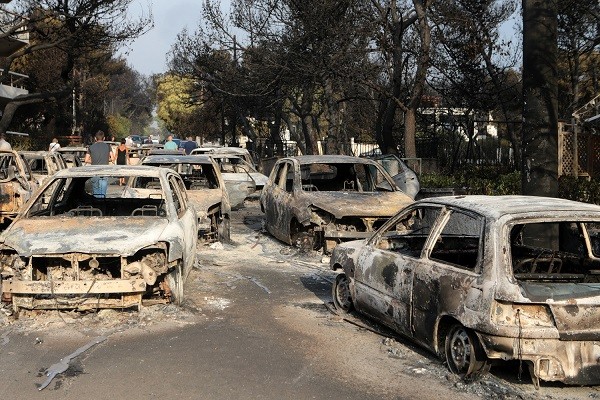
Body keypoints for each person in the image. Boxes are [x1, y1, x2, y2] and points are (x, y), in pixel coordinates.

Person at [85, 130, 114, 197]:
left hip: (94, 172)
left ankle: (96, 205)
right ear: (104, 138)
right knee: (103, 194)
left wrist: (93, 161)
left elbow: (86, 160)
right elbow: (112, 158)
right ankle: (102, 205)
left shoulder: (91, 147)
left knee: (95, 193)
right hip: (104, 172)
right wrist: (107, 160)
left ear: (95, 138)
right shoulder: (108, 146)